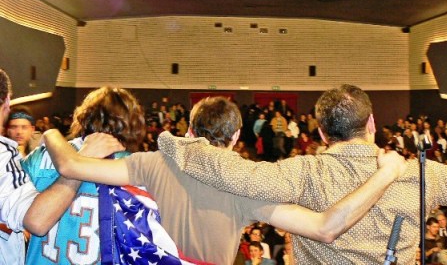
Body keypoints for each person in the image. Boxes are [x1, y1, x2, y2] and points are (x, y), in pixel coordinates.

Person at [157, 84, 447, 264]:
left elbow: (233, 173)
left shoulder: (303, 173)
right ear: (371, 123)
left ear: (322, 133)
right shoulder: (420, 174)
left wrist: (175, 143)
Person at [44, 96, 408, 265]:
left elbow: (70, 165)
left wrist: (50, 134)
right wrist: (385, 174)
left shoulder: (151, 163)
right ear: (235, 138)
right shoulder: (244, 188)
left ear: (189, 130)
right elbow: (326, 228)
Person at [22, 86, 181, 265]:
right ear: (133, 125)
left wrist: (51, 136)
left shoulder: (42, 156)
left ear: (83, 117)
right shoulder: (138, 170)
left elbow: (13, 219)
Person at [0, 69, 87, 265]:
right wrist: (79, 165)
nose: (18, 132)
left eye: (24, 127)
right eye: (15, 126)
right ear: (7, 101)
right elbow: (37, 220)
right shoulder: (3, 155)